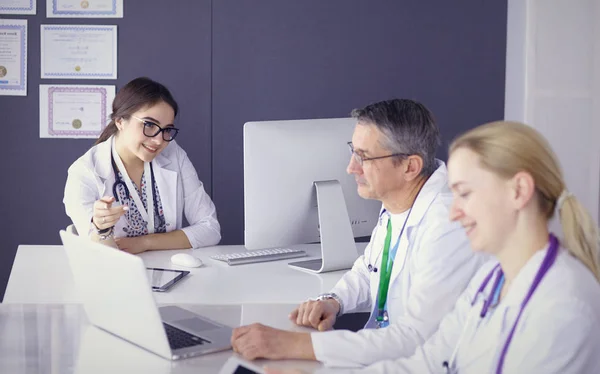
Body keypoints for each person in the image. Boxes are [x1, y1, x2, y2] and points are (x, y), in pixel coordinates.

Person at [300, 120, 600, 373]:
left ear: (518, 191)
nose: (454, 213)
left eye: (465, 194)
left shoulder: (563, 304)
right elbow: (431, 360)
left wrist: (304, 349)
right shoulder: (493, 277)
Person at [231, 99, 486, 367]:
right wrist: (334, 300)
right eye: (353, 151)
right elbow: (369, 268)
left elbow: (415, 338)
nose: (351, 168)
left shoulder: (448, 225)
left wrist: (290, 344)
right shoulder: (400, 201)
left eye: (364, 157)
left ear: (410, 167)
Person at [64, 77, 220, 253]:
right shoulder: (84, 172)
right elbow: (94, 252)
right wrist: (101, 228)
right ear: (120, 121)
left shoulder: (174, 154)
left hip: (169, 269)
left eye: (166, 129)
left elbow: (210, 229)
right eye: (149, 125)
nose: (159, 140)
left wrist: (145, 243)